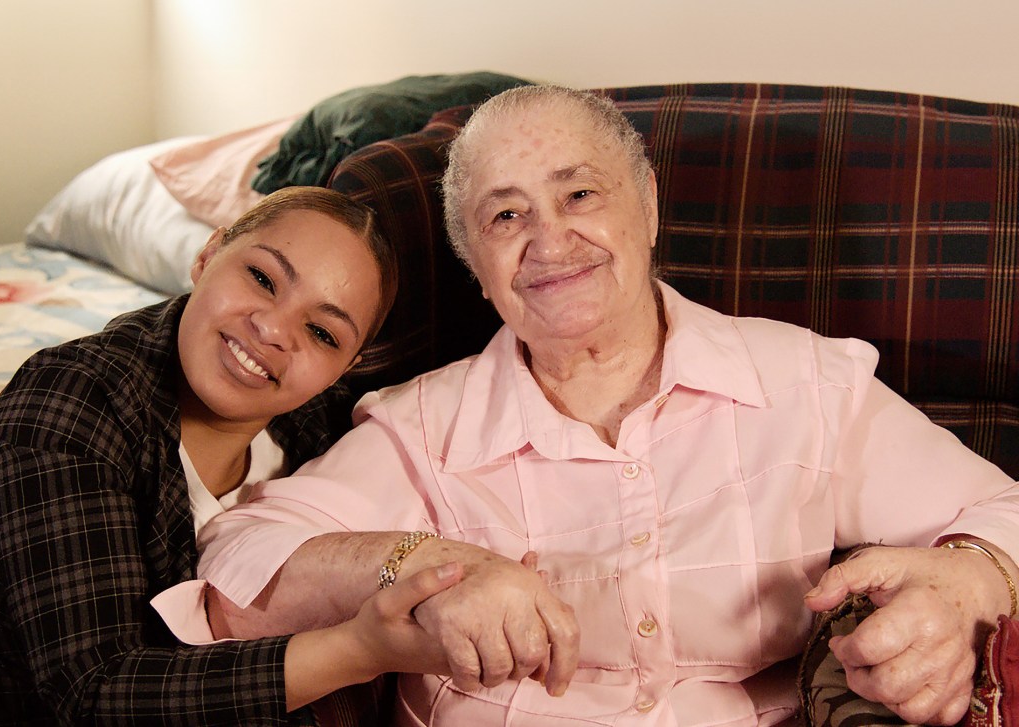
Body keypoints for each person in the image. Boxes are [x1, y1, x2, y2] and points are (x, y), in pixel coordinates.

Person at [155, 87, 1019, 726]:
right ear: (478, 266)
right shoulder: (421, 427)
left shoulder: (805, 386)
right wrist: (418, 561)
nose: (549, 240)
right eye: (505, 216)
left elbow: (1007, 507)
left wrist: (967, 577)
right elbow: (236, 572)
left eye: (580, 194)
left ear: (645, 204)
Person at [0, 186, 467, 726]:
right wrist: (359, 651)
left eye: (321, 332)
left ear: (345, 367)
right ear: (207, 254)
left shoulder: (326, 430)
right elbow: (94, 693)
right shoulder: (70, 402)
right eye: (263, 279)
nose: (272, 330)